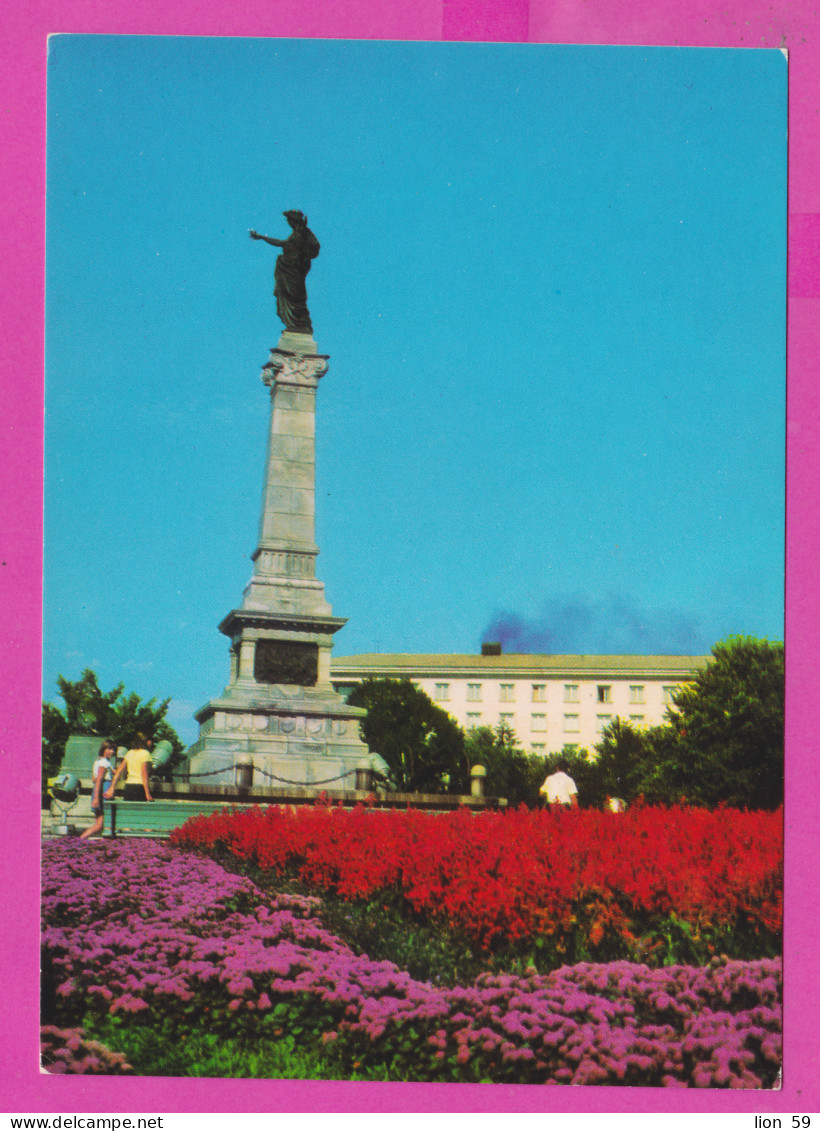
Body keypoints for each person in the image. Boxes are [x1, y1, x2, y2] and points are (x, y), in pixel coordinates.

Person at [249, 211, 320, 334]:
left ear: (294, 221)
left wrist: (304, 257)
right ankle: (296, 324)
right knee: (290, 296)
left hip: (293, 270)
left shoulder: (302, 233)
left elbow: (314, 246)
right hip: (288, 269)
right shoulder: (299, 233)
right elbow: (283, 244)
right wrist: (262, 237)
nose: (288, 223)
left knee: (294, 296)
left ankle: (300, 325)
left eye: (289, 221)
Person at [80, 740, 116, 839]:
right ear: (103, 749)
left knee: (101, 824)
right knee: (100, 825)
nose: (112, 751)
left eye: (112, 749)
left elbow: (94, 778)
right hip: (102, 795)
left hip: (100, 793)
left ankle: (80, 840)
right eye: (109, 749)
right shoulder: (104, 762)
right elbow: (99, 779)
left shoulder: (99, 761)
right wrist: (96, 798)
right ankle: (80, 840)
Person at [106, 734, 154, 802]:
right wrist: (147, 794)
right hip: (140, 787)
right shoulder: (146, 754)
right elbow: (144, 774)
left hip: (128, 786)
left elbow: (118, 772)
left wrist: (111, 788)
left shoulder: (129, 753)